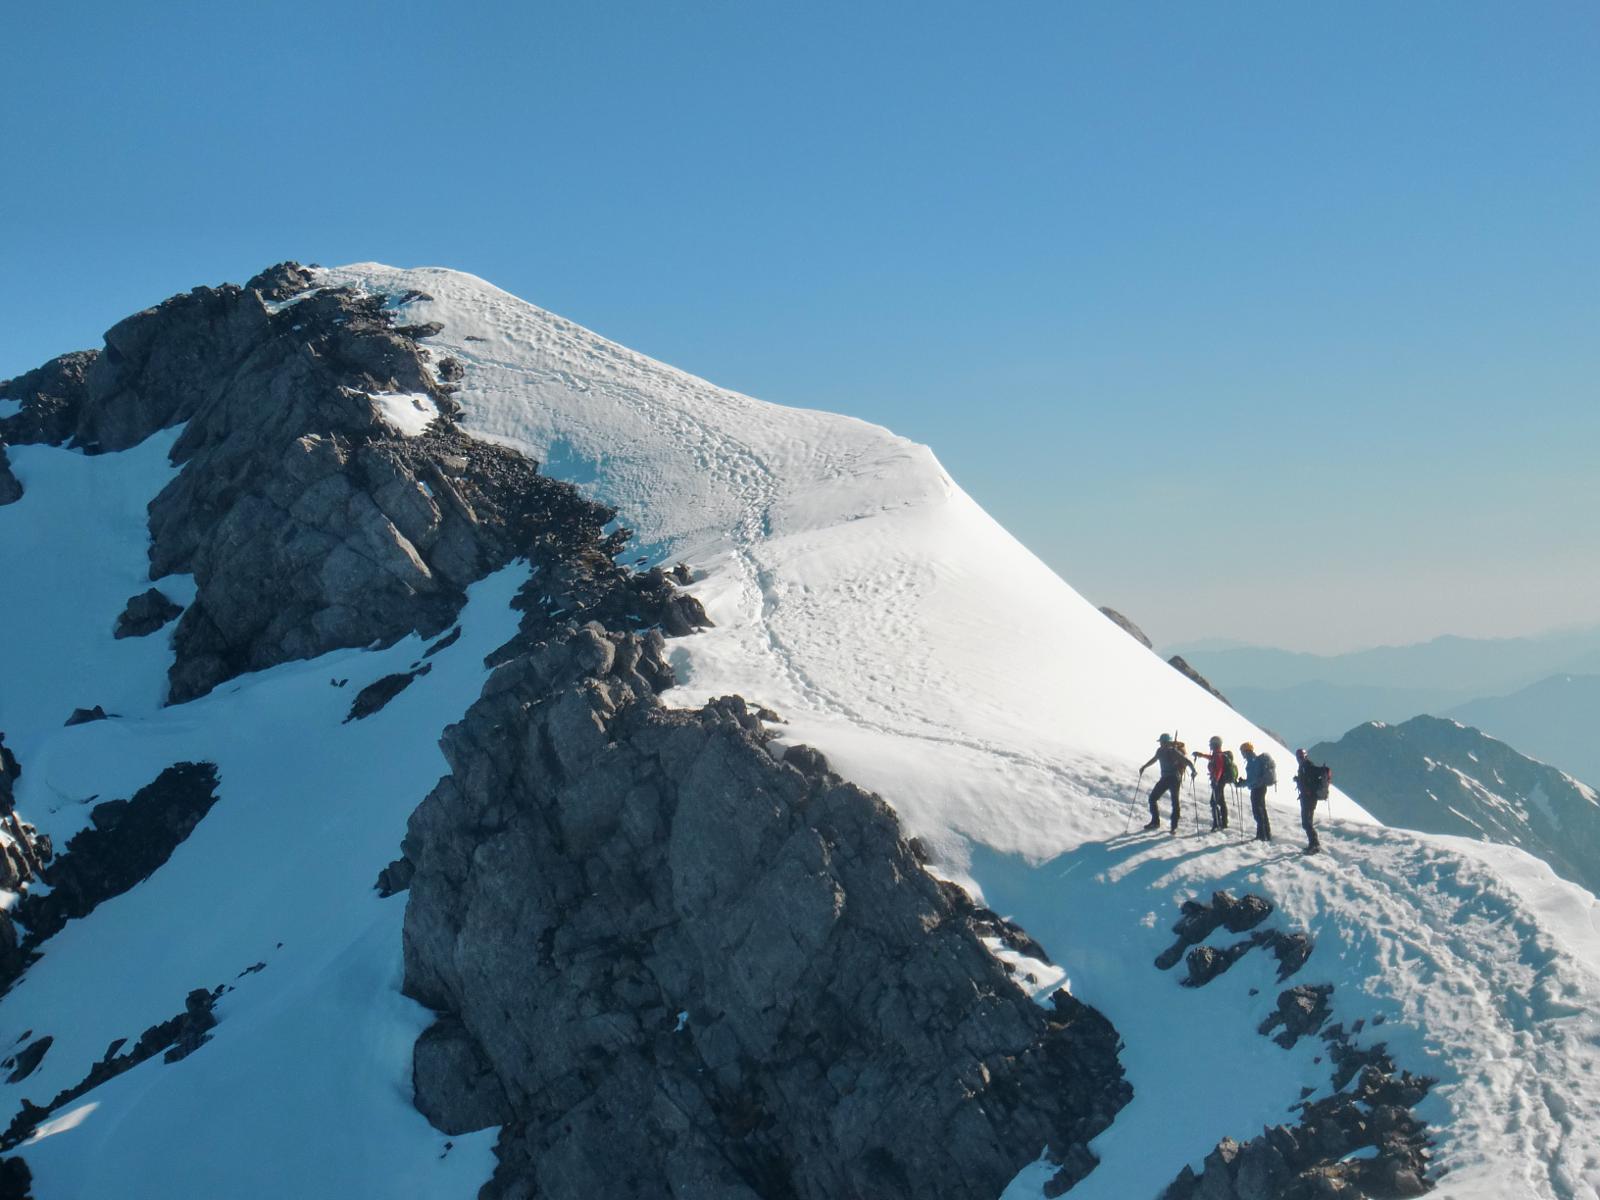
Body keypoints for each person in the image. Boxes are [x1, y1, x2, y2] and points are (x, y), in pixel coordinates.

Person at [1140, 733, 1196, 833]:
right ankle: (1157, 822)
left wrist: (1193, 770)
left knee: (1173, 801)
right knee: (1154, 798)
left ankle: (1172, 826)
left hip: (1173, 778)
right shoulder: (1161, 751)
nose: (1161, 744)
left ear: (1166, 742)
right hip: (1167, 778)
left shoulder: (1173, 751)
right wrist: (1144, 766)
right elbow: (1154, 759)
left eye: (1162, 742)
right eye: (1161, 742)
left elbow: (1186, 761)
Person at [1191, 736, 1231, 831]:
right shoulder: (1217, 755)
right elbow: (1211, 758)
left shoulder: (1218, 756)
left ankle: (1216, 824)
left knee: (1213, 802)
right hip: (1220, 781)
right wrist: (1201, 755)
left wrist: (1215, 780)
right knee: (1221, 801)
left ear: (1215, 744)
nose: (1210, 745)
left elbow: (1219, 769)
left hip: (1218, 782)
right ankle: (1224, 823)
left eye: (1211, 744)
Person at [1238, 742, 1275, 841]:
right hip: (1262, 787)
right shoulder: (1256, 760)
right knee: (1262, 810)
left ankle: (1261, 835)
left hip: (1257, 789)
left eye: (1242, 751)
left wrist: (1242, 783)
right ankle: (1266, 834)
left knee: (1257, 812)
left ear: (1245, 751)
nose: (1242, 754)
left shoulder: (1252, 761)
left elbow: (1252, 779)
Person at [1294, 748, 1324, 854]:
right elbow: (1307, 780)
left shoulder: (1308, 767)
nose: (1300, 759)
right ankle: (1313, 844)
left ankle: (1315, 845)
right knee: (1307, 822)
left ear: (1305, 757)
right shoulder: (1304, 767)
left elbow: (1310, 781)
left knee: (1307, 822)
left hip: (1309, 799)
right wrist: (1298, 780)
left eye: (1301, 757)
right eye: (1299, 757)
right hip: (1307, 798)